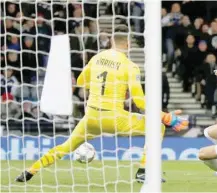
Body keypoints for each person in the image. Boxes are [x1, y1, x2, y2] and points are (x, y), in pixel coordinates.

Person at [15, 25, 188, 183]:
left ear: (111, 41)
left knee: (65, 147)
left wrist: (98, 86)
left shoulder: (96, 58)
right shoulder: (130, 66)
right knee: (158, 128)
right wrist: (165, 116)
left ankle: (30, 171)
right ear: (128, 44)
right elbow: (140, 101)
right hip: (114, 118)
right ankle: (144, 171)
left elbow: (82, 81)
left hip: (91, 117)